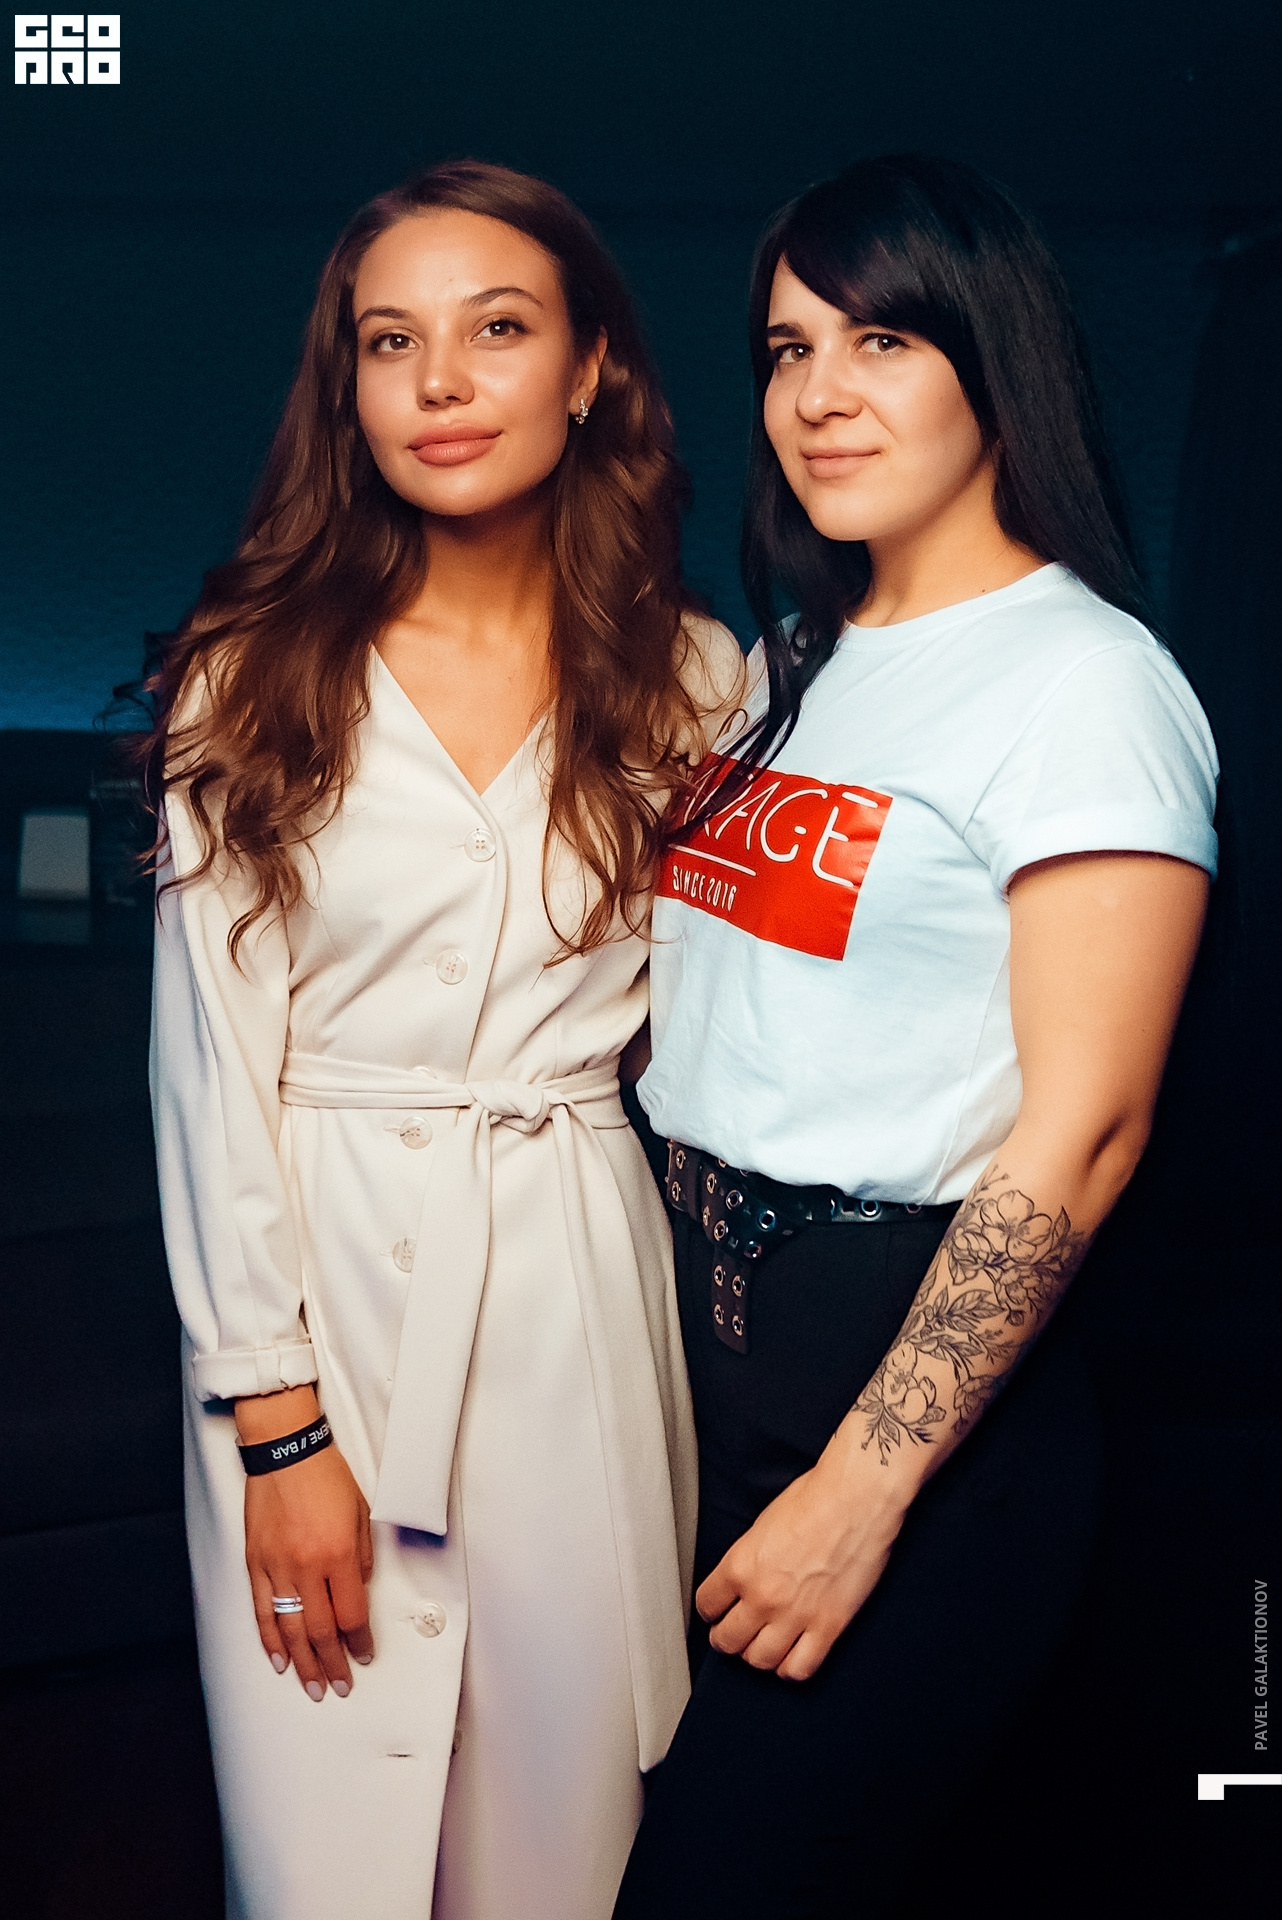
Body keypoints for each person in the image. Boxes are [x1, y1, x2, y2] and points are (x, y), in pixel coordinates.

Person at [616, 154, 1218, 1916]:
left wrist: (860, 1488)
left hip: (904, 1406)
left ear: (993, 359)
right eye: (786, 349)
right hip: (700, 1361)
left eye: (878, 340)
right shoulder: (797, 661)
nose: (818, 394)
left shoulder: (1084, 682)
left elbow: (1087, 1130)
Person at [145, 160, 742, 1920]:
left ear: (590, 369)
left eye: (497, 329)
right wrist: (276, 1431)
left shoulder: (703, 681)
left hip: (575, 1279)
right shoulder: (252, 672)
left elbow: (738, 1024)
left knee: (568, 1828)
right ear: (346, 388)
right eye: (389, 342)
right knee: (322, 1836)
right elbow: (209, 1075)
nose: (441, 382)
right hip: (315, 1295)